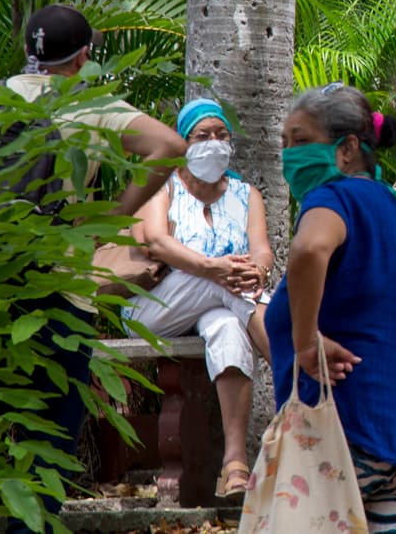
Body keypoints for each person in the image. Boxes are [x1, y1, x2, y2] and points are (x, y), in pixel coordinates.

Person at [0, 4, 187, 532]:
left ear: (29, 52)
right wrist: (110, 218)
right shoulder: (89, 102)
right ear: (83, 56)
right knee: (47, 449)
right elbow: (170, 146)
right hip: (57, 296)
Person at [265, 83, 396, 532]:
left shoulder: (333, 198)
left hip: (342, 436)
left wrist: (304, 343)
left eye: (300, 141)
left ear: (347, 150)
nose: (288, 155)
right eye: (284, 143)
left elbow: (307, 250)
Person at [123, 97, 273, 497]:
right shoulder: (163, 185)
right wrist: (216, 268)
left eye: (221, 134)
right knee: (218, 282)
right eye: (202, 135)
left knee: (227, 329)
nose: (214, 142)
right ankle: (293, 370)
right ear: (184, 142)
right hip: (154, 309)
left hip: (220, 305)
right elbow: (155, 241)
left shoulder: (246, 194)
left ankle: (235, 464)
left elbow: (261, 249)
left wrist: (256, 270)